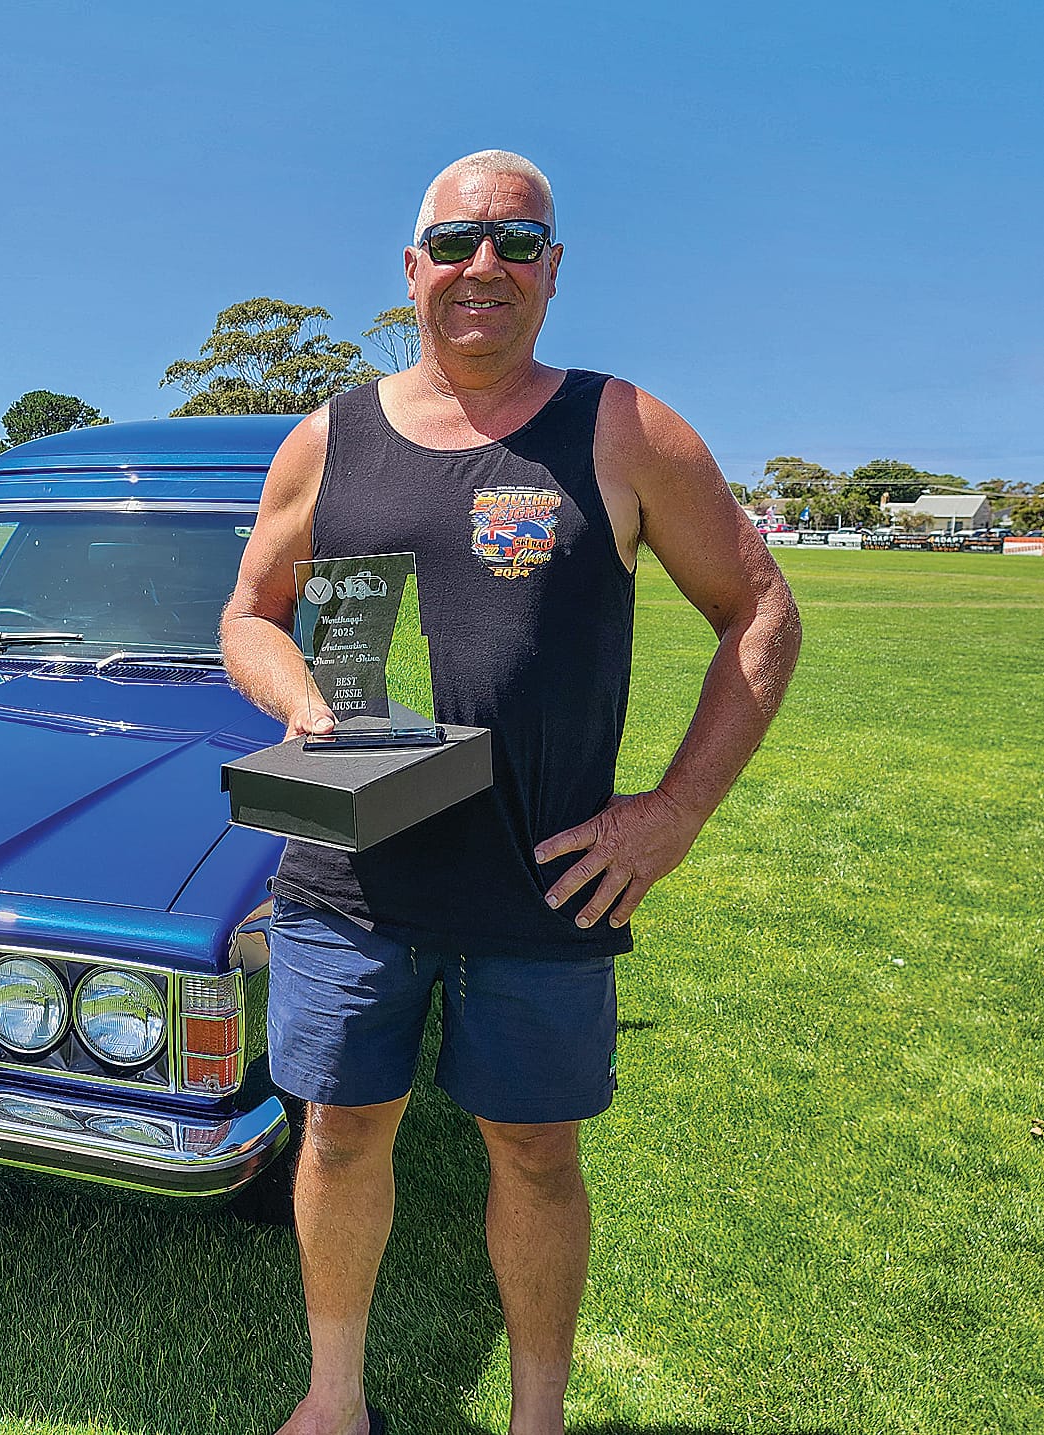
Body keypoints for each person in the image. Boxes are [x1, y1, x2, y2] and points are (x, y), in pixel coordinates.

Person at [220, 150, 801, 1435]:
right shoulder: (328, 437)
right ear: (411, 268)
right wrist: (295, 698)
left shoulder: (621, 428)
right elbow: (247, 616)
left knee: (536, 1152)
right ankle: (332, 1397)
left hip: (548, 877)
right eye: (456, 241)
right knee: (336, 1133)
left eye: (517, 242)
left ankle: (535, 1418)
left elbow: (758, 607)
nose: (483, 266)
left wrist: (674, 810)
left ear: (551, 270)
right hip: (349, 871)